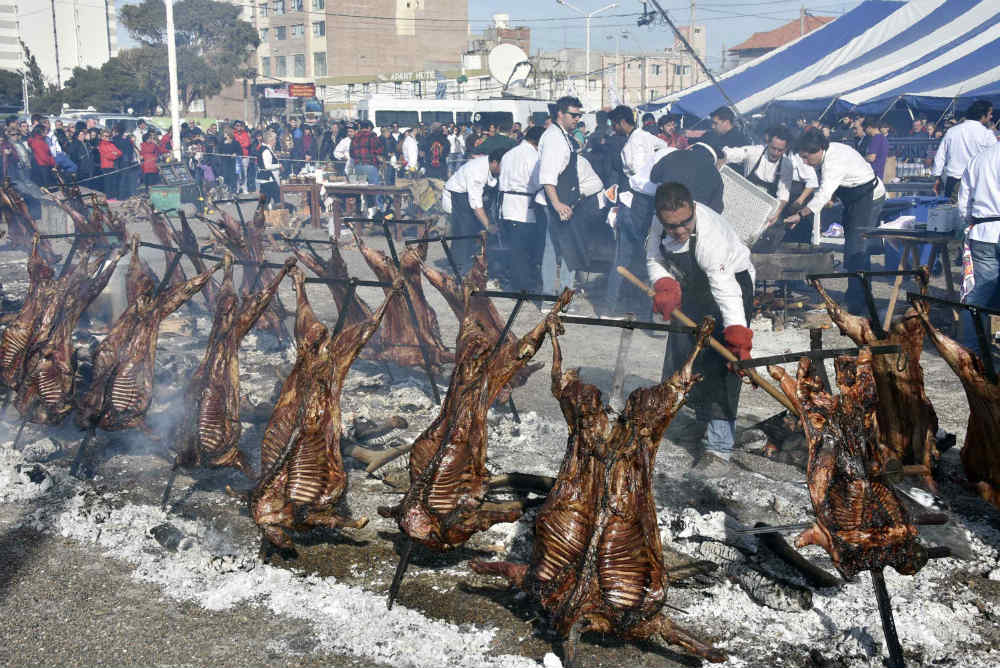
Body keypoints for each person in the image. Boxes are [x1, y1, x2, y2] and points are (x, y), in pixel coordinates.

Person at [648, 182, 755, 474]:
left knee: (721, 365)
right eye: (672, 226)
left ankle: (719, 449)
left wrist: (738, 336)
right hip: (693, 287)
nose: (680, 230)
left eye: (686, 222)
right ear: (661, 218)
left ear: (692, 208)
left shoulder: (711, 238)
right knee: (685, 355)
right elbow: (653, 258)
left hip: (732, 286)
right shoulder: (659, 225)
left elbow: (726, 291)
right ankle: (700, 422)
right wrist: (664, 284)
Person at [606, 142, 723, 316]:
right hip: (665, 217)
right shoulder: (714, 174)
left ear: (691, 148)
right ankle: (651, 315)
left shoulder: (672, 154)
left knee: (626, 260)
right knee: (660, 264)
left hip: (638, 207)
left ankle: (610, 309)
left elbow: (654, 176)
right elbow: (716, 209)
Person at [785, 128, 885, 315]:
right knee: (855, 247)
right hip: (853, 198)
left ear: (818, 150)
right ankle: (862, 295)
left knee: (856, 249)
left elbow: (824, 193)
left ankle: (856, 303)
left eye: (806, 157)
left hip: (869, 197)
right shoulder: (827, 153)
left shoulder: (833, 161)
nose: (805, 162)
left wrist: (801, 214)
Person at [722, 125, 818, 243]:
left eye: (780, 150)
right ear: (768, 142)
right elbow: (730, 154)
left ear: (786, 148)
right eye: (773, 148)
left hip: (764, 209)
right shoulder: (755, 151)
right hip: (743, 201)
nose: (776, 153)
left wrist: (776, 214)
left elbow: (783, 194)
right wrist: (722, 157)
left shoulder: (787, 165)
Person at [955, 141, 1000, 355]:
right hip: (986, 230)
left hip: (984, 232)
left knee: (978, 295)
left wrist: (971, 220)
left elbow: (963, 204)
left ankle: (971, 352)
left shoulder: (979, 159)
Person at [498, 125, 545, 293]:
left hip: (506, 205)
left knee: (514, 248)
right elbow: (537, 183)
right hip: (523, 207)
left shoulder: (509, 154)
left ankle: (517, 283)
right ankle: (523, 287)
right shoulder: (534, 156)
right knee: (524, 250)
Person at [443, 148, 505, 273]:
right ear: (494, 162)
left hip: (472, 195)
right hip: (459, 195)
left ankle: (477, 262)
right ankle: (459, 268)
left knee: (477, 230)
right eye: (502, 166)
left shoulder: (490, 167)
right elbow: (476, 204)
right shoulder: (477, 172)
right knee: (464, 230)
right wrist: (488, 225)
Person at [933, 99, 996, 199]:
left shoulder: (952, 131)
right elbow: (996, 159)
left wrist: (937, 177)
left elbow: (940, 155)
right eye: (990, 114)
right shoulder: (987, 134)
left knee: (952, 208)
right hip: (977, 183)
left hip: (954, 181)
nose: (991, 117)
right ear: (982, 115)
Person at [256, 130, 282, 209]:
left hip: (265, 178)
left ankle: (263, 213)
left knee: (264, 200)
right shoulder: (266, 150)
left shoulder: (265, 148)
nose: (275, 141)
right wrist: (279, 165)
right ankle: (278, 213)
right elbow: (267, 166)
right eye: (275, 139)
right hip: (268, 178)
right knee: (277, 196)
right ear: (270, 140)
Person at [97, 129, 122, 198]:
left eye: (108, 136)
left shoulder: (111, 144)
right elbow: (108, 156)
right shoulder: (101, 145)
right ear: (101, 137)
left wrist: (113, 153)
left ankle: (113, 196)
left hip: (112, 166)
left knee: (113, 182)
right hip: (106, 166)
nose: (106, 137)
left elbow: (120, 152)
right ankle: (108, 196)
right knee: (108, 182)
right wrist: (114, 153)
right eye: (104, 136)